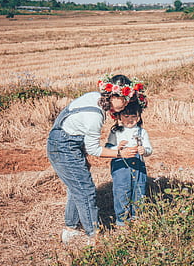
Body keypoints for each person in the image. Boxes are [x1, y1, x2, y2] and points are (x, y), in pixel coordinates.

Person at [46, 74, 147, 245]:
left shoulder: (94, 97)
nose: (126, 106)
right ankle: (94, 236)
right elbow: (93, 149)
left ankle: (70, 229)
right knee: (86, 190)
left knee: (76, 186)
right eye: (125, 100)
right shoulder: (95, 116)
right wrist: (119, 154)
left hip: (65, 140)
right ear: (114, 97)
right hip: (63, 145)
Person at [106, 101, 152, 227]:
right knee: (122, 191)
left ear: (138, 117)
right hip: (120, 163)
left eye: (133, 116)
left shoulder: (142, 132)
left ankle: (137, 218)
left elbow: (149, 149)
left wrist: (144, 151)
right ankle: (122, 221)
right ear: (119, 117)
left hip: (138, 163)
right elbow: (107, 148)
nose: (130, 120)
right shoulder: (116, 132)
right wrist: (117, 147)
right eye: (126, 116)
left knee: (139, 189)